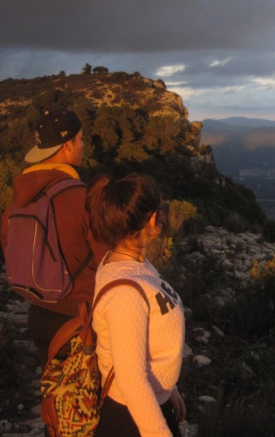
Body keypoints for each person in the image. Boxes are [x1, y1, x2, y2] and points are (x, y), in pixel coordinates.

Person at [0, 109, 106, 365]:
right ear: (67, 145)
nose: (82, 145)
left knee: (54, 392)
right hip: (80, 320)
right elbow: (109, 259)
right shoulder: (82, 199)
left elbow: (9, 247)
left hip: (38, 314)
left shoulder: (17, 202)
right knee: (86, 398)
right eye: (80, 139)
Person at [85, 173, 186, 437]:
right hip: (132, 417)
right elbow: (131, 379)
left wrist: (168, 390)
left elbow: (147, 338)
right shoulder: (125, 292)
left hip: (149, 404)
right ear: (152, 219)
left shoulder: (131, 263)